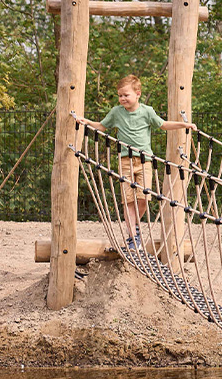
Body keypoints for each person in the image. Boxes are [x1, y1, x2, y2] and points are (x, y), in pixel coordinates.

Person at [77, 75, 195, 249]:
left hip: (145, 161)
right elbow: (102, 126)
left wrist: (183, 125)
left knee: (143, 199)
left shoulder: (147, 111)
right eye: (120, 95)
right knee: (128, 200)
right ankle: (133, 236)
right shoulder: (116, 112)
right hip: (125, 161)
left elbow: (162, 125)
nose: (122, 98)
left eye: (126, 95)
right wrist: (87, 122)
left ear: (137, 94)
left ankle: (135, 228)